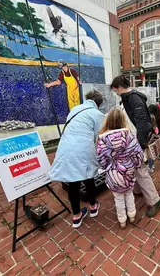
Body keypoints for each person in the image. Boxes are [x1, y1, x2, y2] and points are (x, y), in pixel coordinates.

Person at [110, 75, 160, 217]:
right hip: (133, 141)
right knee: (136, 168)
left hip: (136, 142)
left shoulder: (133, 98)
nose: (116, 93)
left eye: (115, 90)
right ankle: (139, 190)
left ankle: (154, 200)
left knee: (140, 170)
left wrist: (139, 144)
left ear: (120, 88)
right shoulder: (129, 98)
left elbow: (142, 122)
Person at [49, 90, 104, 228]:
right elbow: (98, 136)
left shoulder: (75, 109)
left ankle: (76, 216)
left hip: (65, 147)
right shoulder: (97, 114)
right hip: (83, 148)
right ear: (98, 103)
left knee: (73, 181)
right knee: (89, 177)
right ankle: (93, 207)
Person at [97, 108, 143, 228]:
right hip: (129, 171)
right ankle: (132, 215)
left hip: (113, 173)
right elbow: (138, 154)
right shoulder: (130, 136)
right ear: (123, 120)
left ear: (108, 121)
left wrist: (106, 167)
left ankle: (122, 220)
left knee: (118, 197)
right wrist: (136, 165)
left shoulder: (102, 140)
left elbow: (101, 159)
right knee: (129, 193)